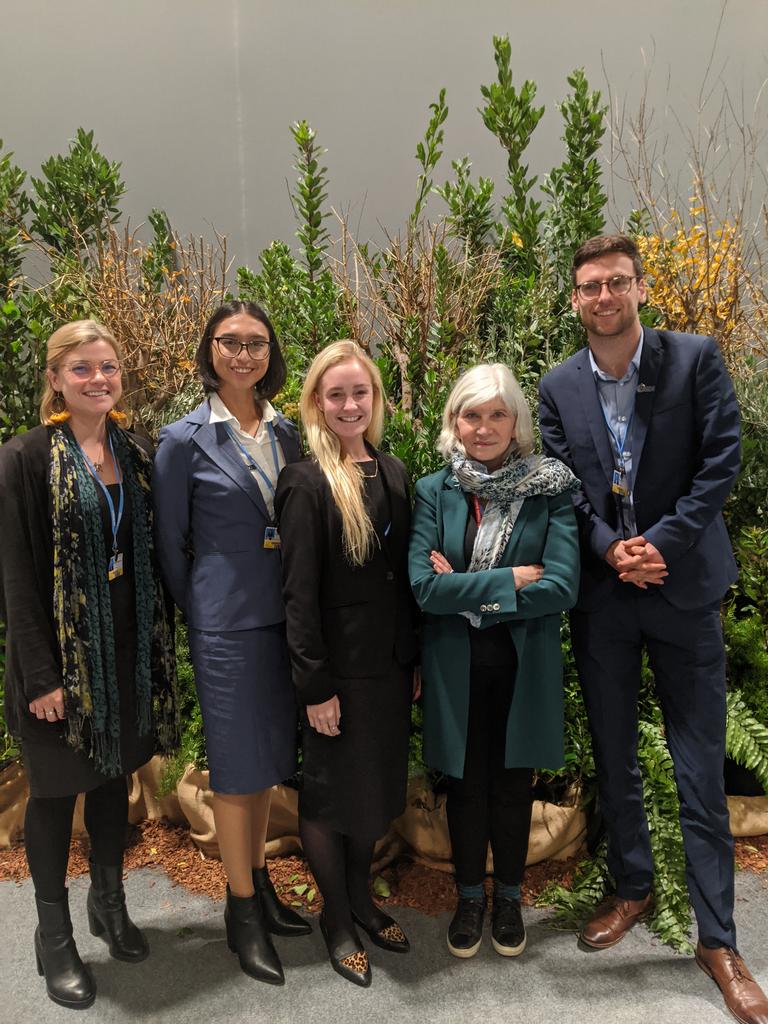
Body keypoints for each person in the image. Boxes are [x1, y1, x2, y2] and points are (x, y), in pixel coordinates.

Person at [539, 233, 768, 1024]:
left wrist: (658, 546)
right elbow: (562, 484)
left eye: (616, 283)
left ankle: (719, 940)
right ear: (574, 301)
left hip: (681, 587)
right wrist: (609, 549)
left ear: (639, 288)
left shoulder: (694, 358)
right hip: (605, 598)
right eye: (589, 288)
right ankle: (632, 887)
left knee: (700, 768)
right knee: (615, 756)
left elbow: (722, 460)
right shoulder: (557, 385)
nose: (604, 298)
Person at [0, 320, 179, 1010]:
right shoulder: (22, 459)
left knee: (113, 778)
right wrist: (42, 675)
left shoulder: (135, 451)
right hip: (59, 663)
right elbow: (15, 575)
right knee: (54, 793)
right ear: (54, 380)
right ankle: (53, 938)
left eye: (107, 366)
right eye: (81, 368)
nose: (98, 378)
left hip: (124, 653)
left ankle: (110, 903)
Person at [152, 301, 309, 987]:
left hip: (286, 621)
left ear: (271, 353)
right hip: (226, 626)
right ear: (209, 350)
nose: (244, 355)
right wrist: (206, 612)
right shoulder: (183, 439)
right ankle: (240, 911)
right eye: (230, 342)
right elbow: (168, 547)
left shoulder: (289, 433)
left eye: (257, 343)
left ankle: (261, 883)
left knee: (268, 763)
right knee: (237, 771)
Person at [408, 363, 579, 959]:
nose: (484, 427)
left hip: (521, 666)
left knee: (512, 786)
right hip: (455, 666)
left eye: (497, 414)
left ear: (516, 423)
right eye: (472, 414)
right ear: (455, 422)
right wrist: (508, 580)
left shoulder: (551, 487)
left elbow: (560, 587)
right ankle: (468, 897)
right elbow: (423, 589)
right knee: (464, 786)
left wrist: (470, 589)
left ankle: (507, 895)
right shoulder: (434, 490)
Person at [274, 340, 419, 988]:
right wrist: (314, 686)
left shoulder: (393, 471)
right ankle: (336, 919)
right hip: (336, 675)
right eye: (336, 394)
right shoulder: (304, 482)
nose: (349, 404)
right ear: (315, 402)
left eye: (360, 392)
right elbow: (297, 597)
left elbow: (405, 581)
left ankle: (362, 899)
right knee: (332, 798)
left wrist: (410, 661)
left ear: (375, 399)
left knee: (374, 796)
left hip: (388, 672)